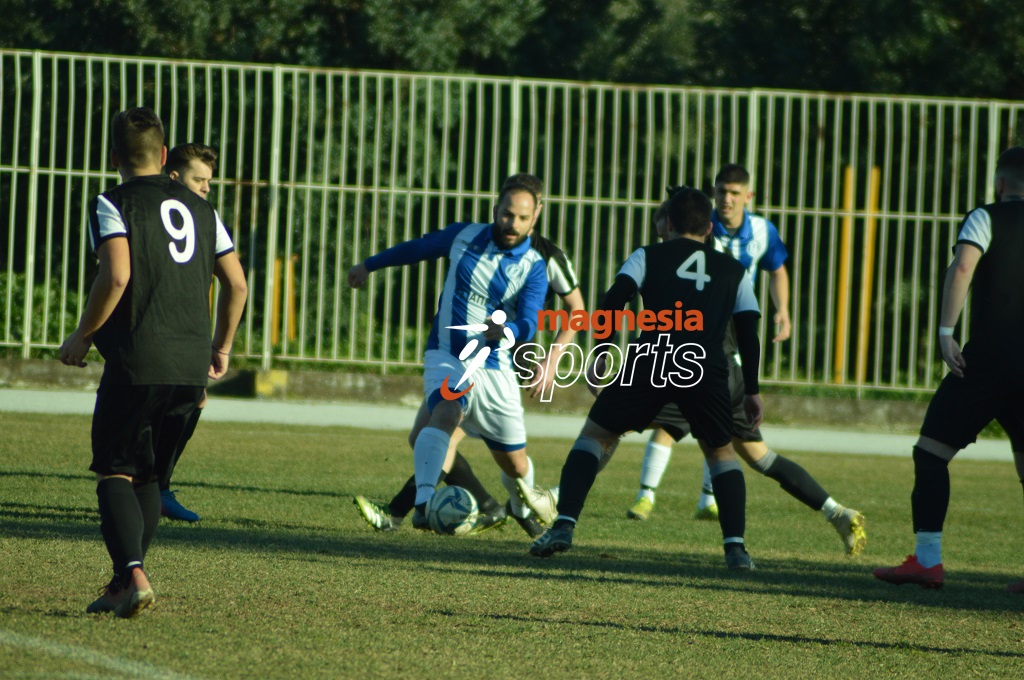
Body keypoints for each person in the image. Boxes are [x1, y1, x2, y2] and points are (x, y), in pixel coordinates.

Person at [59, 108, 247, 617]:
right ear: (165, 156)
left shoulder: (112, 202)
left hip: (139, 360)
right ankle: (124, 582)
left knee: (115, 472)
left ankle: (134, 575)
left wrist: (83, 335)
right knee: (148, 478)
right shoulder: (202, 208)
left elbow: (117, 276)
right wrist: (221, 348)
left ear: (114, 158)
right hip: (190, 366)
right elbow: (237, 284)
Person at [527, 186, 764, 570]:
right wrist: (752, 390)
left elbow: (613, 300)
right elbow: (749, 332)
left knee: (596, 436)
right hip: (704, 367)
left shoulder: (647, 255)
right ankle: (736, 549)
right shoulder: (733, 270)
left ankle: (564, 524)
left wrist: (601, 353)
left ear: (668, 223)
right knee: (720, 453)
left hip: (651, 358)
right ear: (709, 228)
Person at [625, 187, 867, 556]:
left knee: (608, 427)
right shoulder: (718, 264)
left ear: (674, 227)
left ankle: (560, 506)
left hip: (693, 369)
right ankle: (837, 512)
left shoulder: (675, 266)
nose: (662, 242)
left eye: (663, 233)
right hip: (724, 372)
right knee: (760, 457)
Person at [352, 180, 584, 537]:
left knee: (515, 465)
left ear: (535, 215)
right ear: (495, 209)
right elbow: (418, 248)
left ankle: (513, 509)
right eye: (507, 214)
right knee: (445, 416)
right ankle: (418, 508)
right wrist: (370, 265)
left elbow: (537, 317)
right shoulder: (464, 236)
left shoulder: (541, 262)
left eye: (522, 217)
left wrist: (528, 343)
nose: (512, 224)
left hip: (496, 368)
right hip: (448, 353)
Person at [874, 147, 1024, 592]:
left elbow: (963, 268)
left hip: (987, 362)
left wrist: (945, 332)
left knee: (931, 453)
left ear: (1000, 183)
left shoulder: (985, 216)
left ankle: (927, 560)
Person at [629, 164, 791, 522]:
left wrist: (783, 310)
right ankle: (645, 495)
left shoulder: (762, 231)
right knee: (671, 414)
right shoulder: (700, 223)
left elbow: (777, 270)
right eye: (721, 192)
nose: (726, 199)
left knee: (718, 420)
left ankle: (707, 499)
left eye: (734, 193)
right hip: (696, 324)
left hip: (733, 330)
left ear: (748, 196)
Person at [156, 142, 221, 523]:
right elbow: (237, 284)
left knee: (194, 400)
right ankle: (151, 488)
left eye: (209, 181)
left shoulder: (201, 213)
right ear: (174, 175)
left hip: (184, 331)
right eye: (200, 180)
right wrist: (222, 347)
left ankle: (154, 487)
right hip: (162, 331)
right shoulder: (203, 216)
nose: (206, 188)